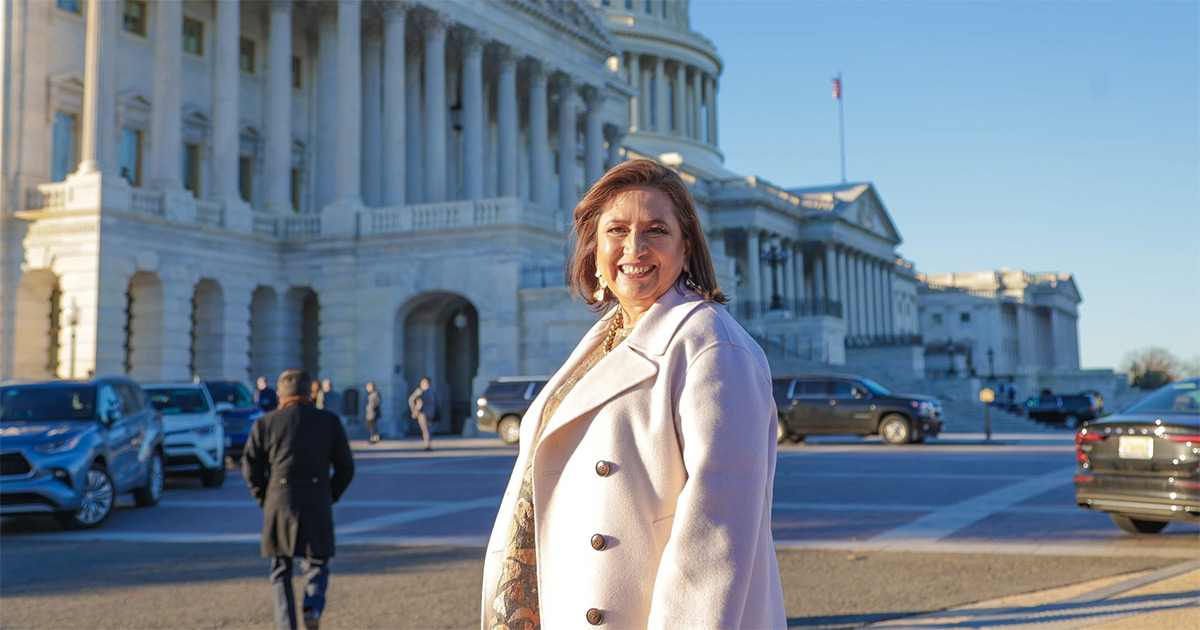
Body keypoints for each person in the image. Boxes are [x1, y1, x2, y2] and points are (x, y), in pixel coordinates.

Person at [480, 159, 786, 628]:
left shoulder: (712, 344)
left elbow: (716, 532)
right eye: (617, 230)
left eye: (656, 230)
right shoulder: (607, 335)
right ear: (594, 248)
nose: (634, 247)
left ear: (686, 248)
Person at [242, 369, 354, 630]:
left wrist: (264, 497)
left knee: (280, 568)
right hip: (316, 495)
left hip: (280, 497)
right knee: (317, 562)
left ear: (280, 394)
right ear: (310, 393)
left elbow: (250, 467)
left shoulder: (267, 422)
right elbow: (346, 467)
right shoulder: (328, 421)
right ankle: (312, 605)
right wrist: (330, 494)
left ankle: (287, 625)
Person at [407, 377, 439, 452]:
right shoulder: (421, 391)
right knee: (426, 429)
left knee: (428, 429)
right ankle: (427, 444)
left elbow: (437, 402)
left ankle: (428, 443)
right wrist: (415, 410)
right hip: (422, 413)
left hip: (430, 413)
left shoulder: (431, 391)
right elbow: (411, 400)